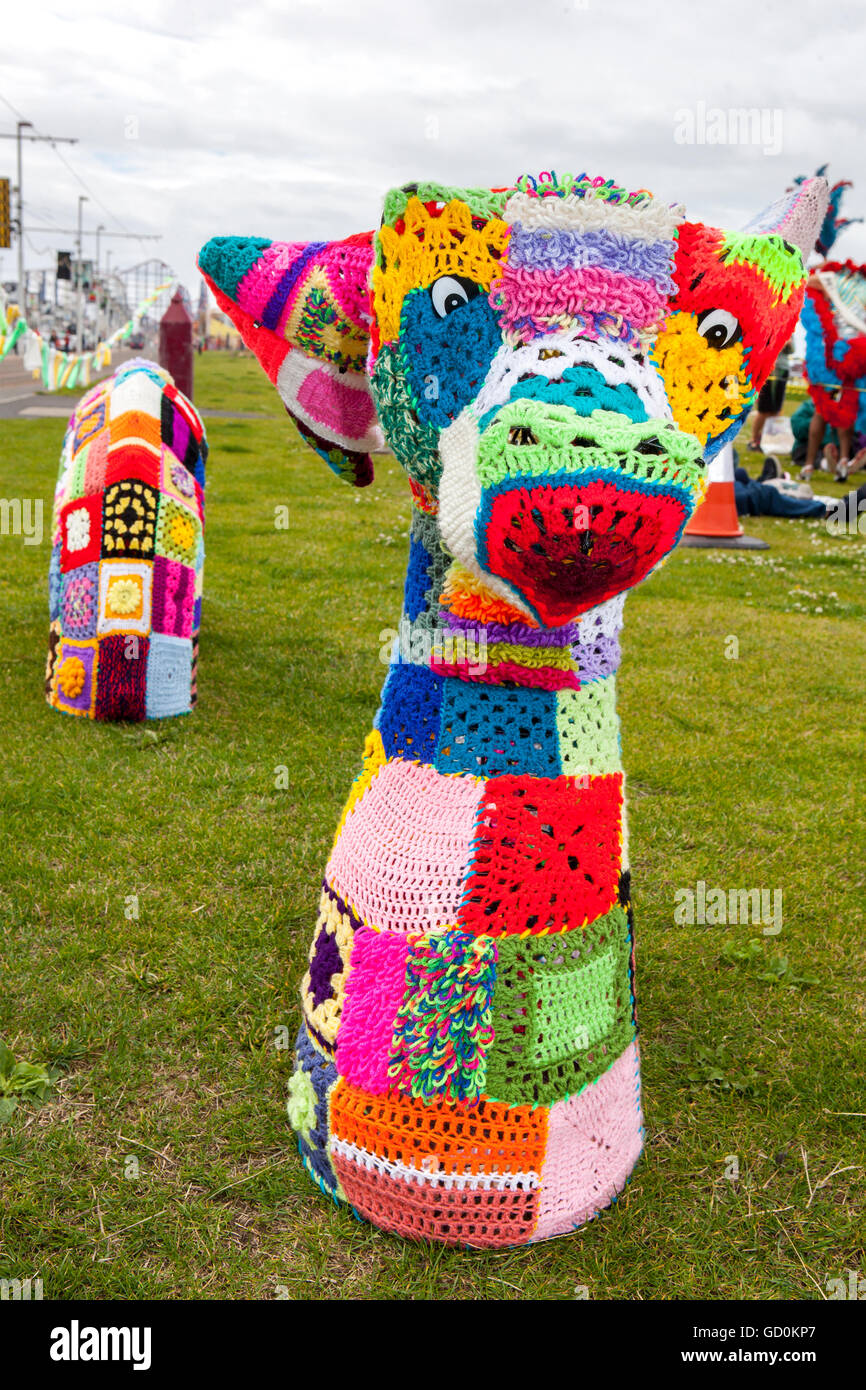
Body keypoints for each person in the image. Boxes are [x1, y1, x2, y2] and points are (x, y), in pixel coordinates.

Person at [748, 338, 793, 449]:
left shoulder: (790, 329)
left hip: (782, 370)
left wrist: (788, 344)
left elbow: (792, 350)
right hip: (767, 369)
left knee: (776, 410)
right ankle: (753, 439)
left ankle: (767, 440)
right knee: (763, 409)